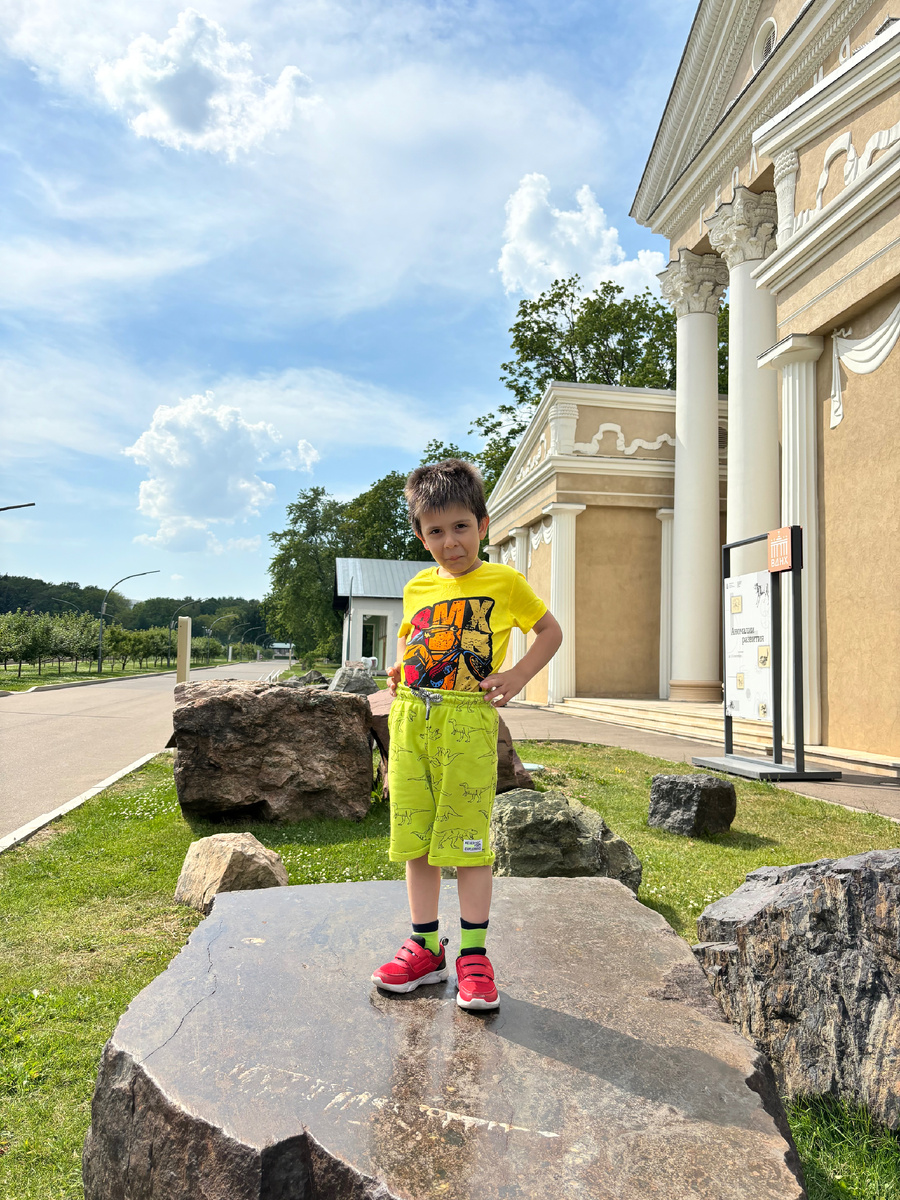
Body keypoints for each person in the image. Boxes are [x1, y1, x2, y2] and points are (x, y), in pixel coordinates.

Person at [371, 458, 563, 1010]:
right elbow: (414, 640)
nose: (449, 542)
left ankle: (474, 956)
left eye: (460, 527)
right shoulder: (416, 586)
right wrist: (398, 669)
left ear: (482, 525)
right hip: (412, 722)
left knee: (469, 840)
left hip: (467, 724)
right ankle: (425, 946)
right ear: (419, 534)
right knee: (417, 837)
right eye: (435, 531)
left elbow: (549, 631)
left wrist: (519, 675)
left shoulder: (505, 581)